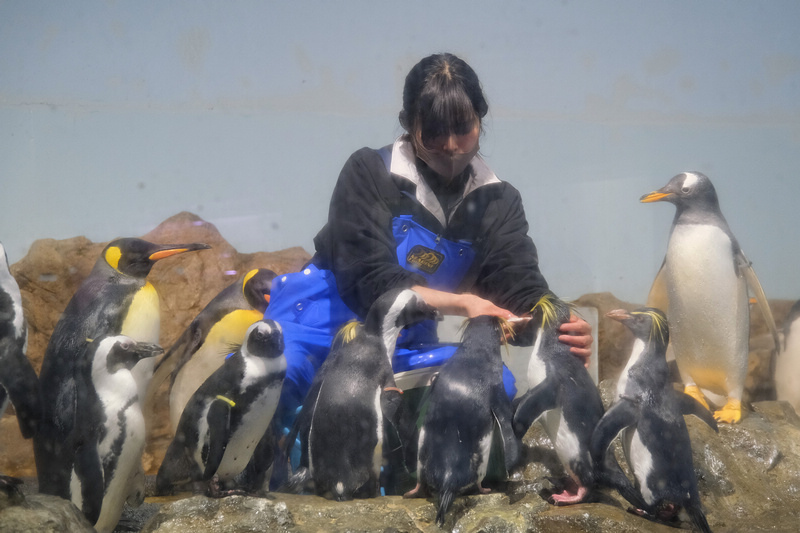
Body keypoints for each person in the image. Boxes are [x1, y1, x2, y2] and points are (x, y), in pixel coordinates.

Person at [266, 52, 592, 436]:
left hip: (405, 349)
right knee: (273, 379)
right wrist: (461, 302)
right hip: (318, 330)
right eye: (434, 131)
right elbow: (368, 278)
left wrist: (556, 323)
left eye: (462, 127)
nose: (451, 145)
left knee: (489, 384)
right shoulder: (369, 172)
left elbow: (516, 285)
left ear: (480, 119)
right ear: (408, 124)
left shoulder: (497, 202)